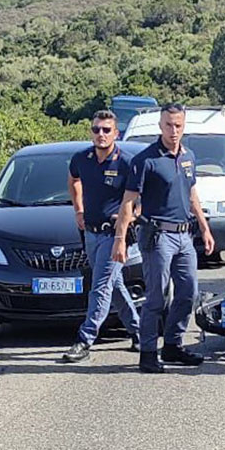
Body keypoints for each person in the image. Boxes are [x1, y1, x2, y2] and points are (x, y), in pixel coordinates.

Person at [112, 103, 216, 373]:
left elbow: (192, 194)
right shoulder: (145, 160)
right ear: (160, 126)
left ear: (184, 126)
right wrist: (120, 240)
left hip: (185, 235)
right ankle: (148, 353)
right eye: (169, 125)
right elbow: (128, 202)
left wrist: (204, 228)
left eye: (178, 125)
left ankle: (172, 345)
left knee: (188, 293)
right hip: (157, 237)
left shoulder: (189, 156)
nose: (173, 130)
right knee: (156, 298)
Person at [63, 110, 141, 363]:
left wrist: (131, 217)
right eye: (96, 129)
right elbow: (73, 179)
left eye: (106, 130)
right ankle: (140, 332)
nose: (101, 134)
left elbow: (143, 198)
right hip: (91, 234)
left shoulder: (127, 163)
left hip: (114, 236)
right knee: (113, 285)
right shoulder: (82, 158)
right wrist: (79, 210)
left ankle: (85, 340)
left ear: (116, 134)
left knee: (100, 288)